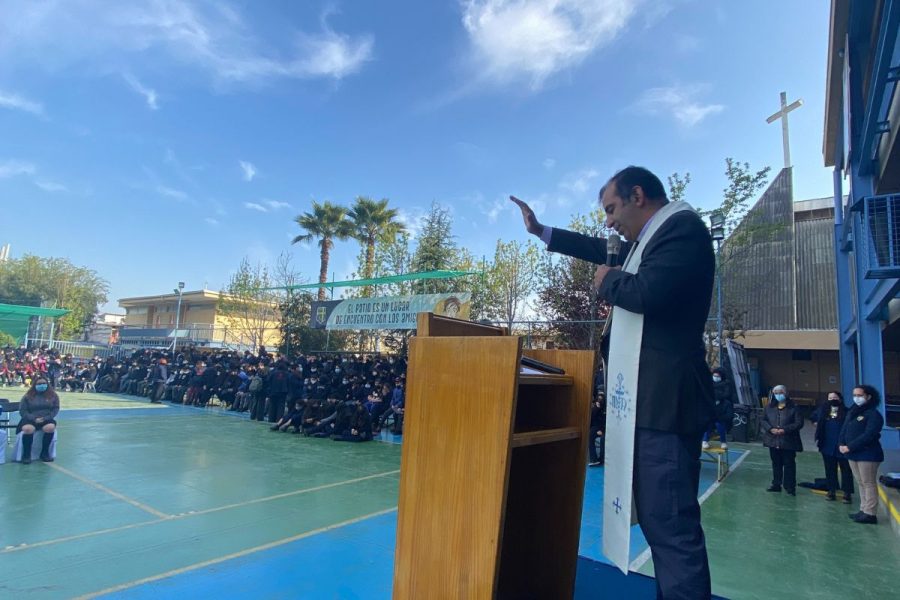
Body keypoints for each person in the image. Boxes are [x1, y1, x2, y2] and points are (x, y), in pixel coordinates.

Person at [512, 165, 716, 599]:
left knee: (672, 529)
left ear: (637, 195)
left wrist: (609, 283)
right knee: (662, 528)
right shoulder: (650, 240)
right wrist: (542, 231)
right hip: (648, 404)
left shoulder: (682, 231)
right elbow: (599, 248)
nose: (608, 222)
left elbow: (647, 293)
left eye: (611, 208)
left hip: (666, 406)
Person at [839, 384, 885, 524]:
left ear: (868, 397)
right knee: (860, 482)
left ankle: (870, 513)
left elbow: (869, 434)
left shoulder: (873, 414)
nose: (856, 398)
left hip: (867, 454)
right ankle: (863, 509)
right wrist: (841, 444)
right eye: (855, 395)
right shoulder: (853, 411)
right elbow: (845, 428)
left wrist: (850, 446)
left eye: (860, 395)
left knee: (868, 482)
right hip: (852, 453)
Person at [761, 385, 803, 496]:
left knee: (789, 464)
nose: (778, 395)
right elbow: (763, 420)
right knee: (776, 463)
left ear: (785, 393)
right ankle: (776, 484)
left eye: (780, 392)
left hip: (788, 441)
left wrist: (784, 430)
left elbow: (798, 423)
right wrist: (771, 429)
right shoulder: (769, 407)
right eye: (775, 393)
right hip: (773, 440)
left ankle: (790, 486)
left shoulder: (794, 407)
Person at [813, 391, 854, 503]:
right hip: (827, 445)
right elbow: (813, 416)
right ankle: (831, 490)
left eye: (835, 397)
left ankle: (847, 492)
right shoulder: (824, 411)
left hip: (842, 446)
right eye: (830, 398)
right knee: (830, 469)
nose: (832, 400)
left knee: (846, 470)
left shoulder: (847, 412)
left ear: (840, 399)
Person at [17, 376, 60, 464]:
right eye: (39, 384)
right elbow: (22, 410)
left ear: (47, 384)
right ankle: (26, 455)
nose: (42, 385)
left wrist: (46, 418)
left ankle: (44, 453)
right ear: (34, 385)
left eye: (44, 383)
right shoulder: (27, 396)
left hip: (47, 418)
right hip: (30, 419)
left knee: (50, 427)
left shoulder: (53, 395)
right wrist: (33, 418)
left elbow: (55, 409)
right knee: (28, 429)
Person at [702, 367, 735, 450]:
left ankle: (723, 442)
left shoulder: (726, 384)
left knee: (719, 424)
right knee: (707, 424)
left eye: (718, 376)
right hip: (710, 409)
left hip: (720, 411)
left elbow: (727, 395)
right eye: (714, 375)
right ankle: (705, 441)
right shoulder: (708, 383)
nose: (715, 377)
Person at [588, 391, 606, 467]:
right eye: (598, 399)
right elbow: (592, 420)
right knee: (590, 435)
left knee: (603, 439)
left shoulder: (606, 409)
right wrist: (596, 409)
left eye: (601, 399)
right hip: (598, 427)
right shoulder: (595, 408)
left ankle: (601, 459)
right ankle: (593, 459)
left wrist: (602, 430)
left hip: (606, 428)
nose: (599, 401)